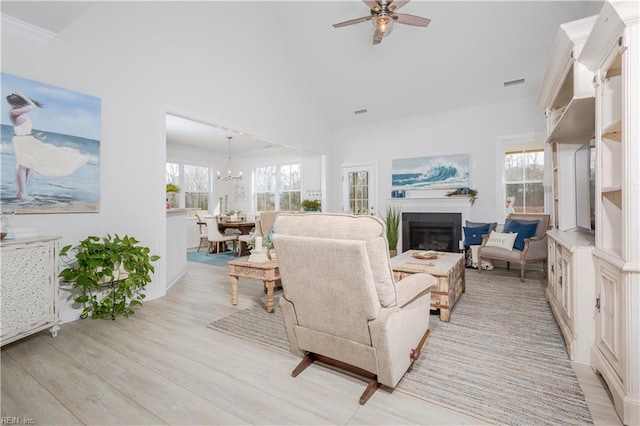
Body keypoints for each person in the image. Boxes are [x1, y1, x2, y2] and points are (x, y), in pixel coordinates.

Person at [6, 91, 90, 199]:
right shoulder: (14, 112)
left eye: (16, 103)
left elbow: (23, 127)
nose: (15, 105)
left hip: (27, 139)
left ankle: (22, 192)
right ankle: (22, 193)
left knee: (29, 165)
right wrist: (22, 95)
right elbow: (33, 106)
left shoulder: (20, 112)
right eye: (13, 103)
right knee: (22, 164)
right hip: (21, 140)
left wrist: (33, 134)